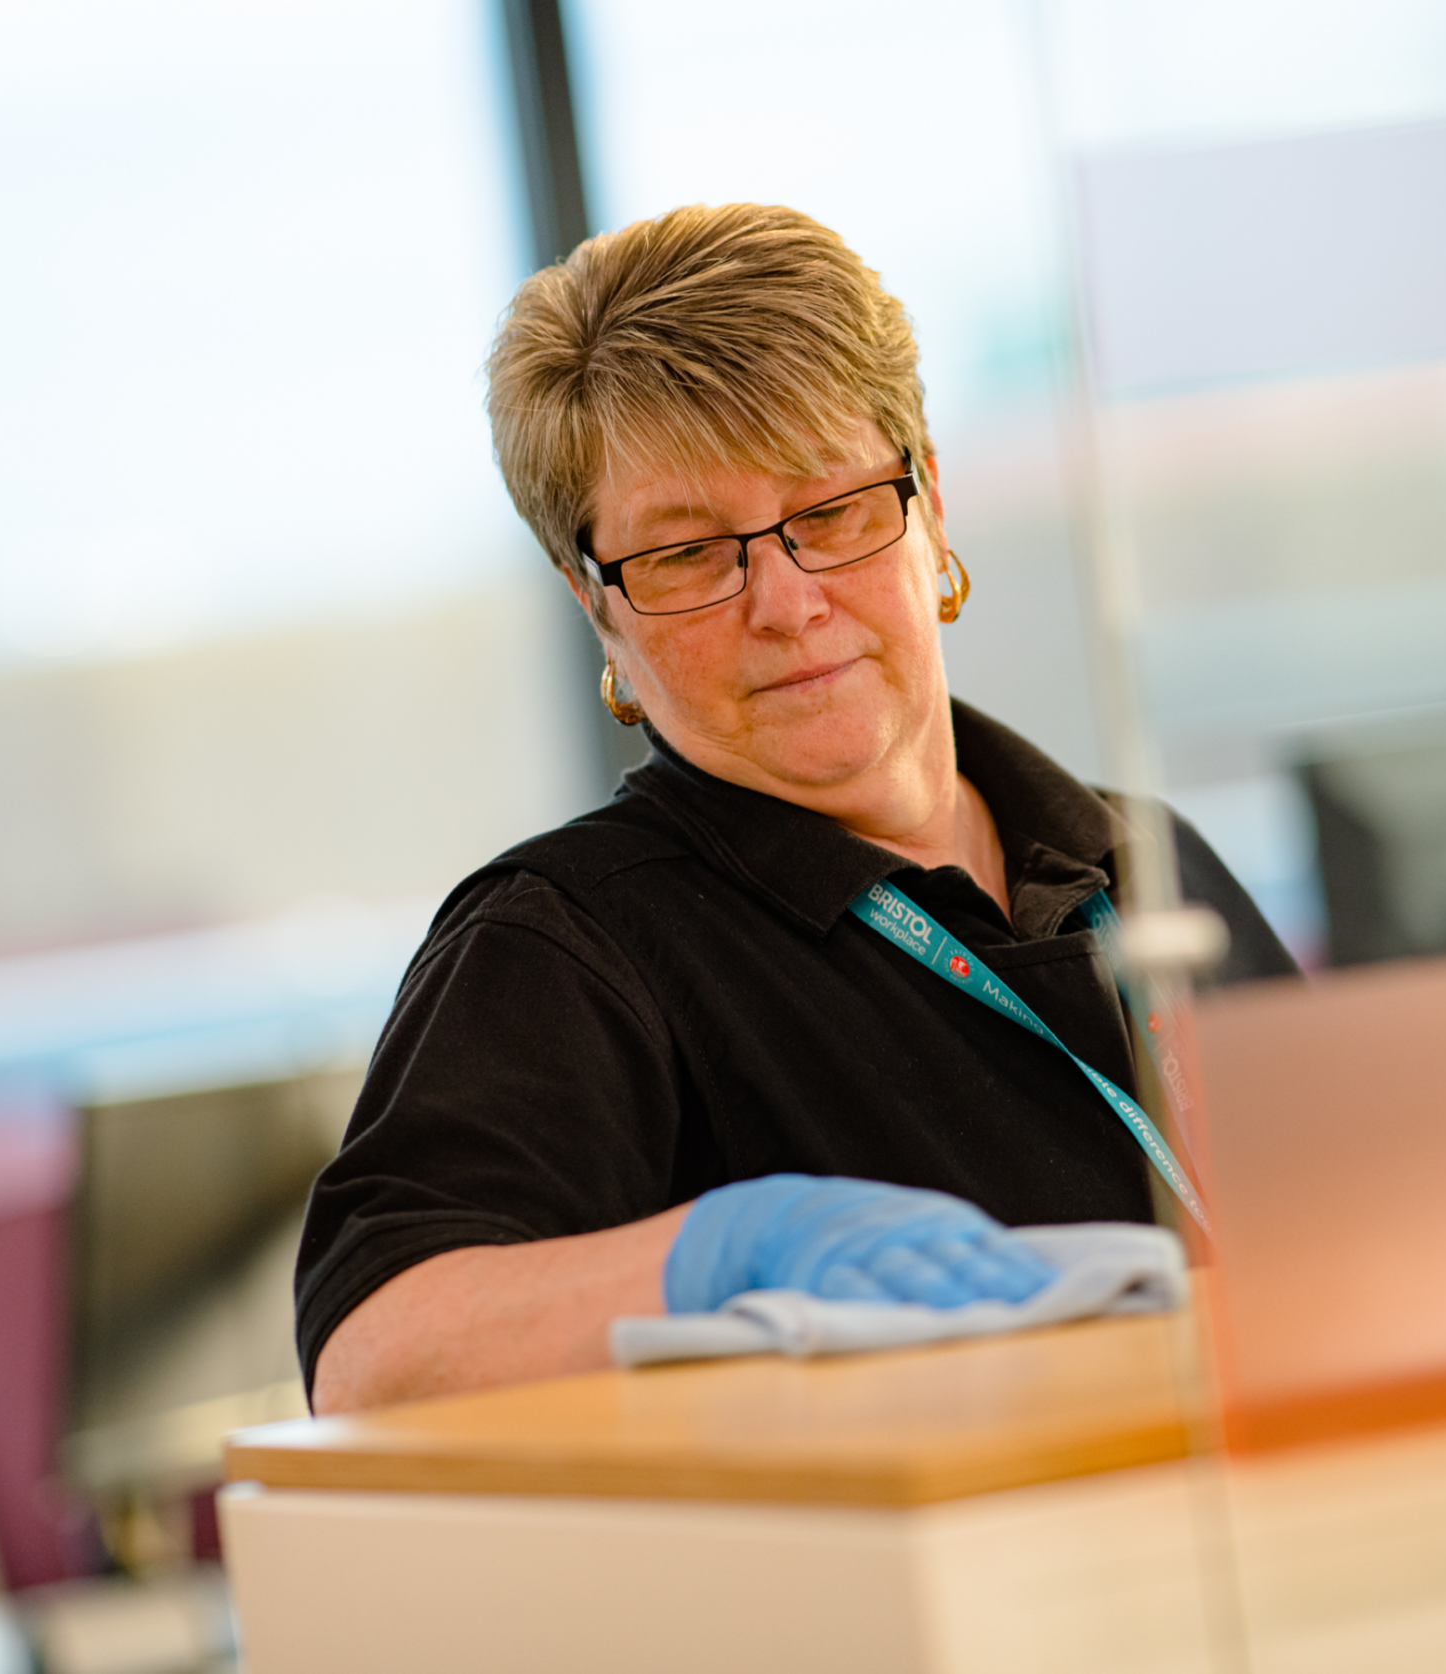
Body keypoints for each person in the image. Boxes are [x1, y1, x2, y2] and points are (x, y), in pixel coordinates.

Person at [297, 203, 1296, 1413]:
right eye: (684, 555)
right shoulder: (565, 943)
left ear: (928, 501)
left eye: (827, 512)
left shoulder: (1140, 857)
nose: (783, 601)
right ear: (592, 602)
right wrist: (723, 1251)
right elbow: (375, 1357)